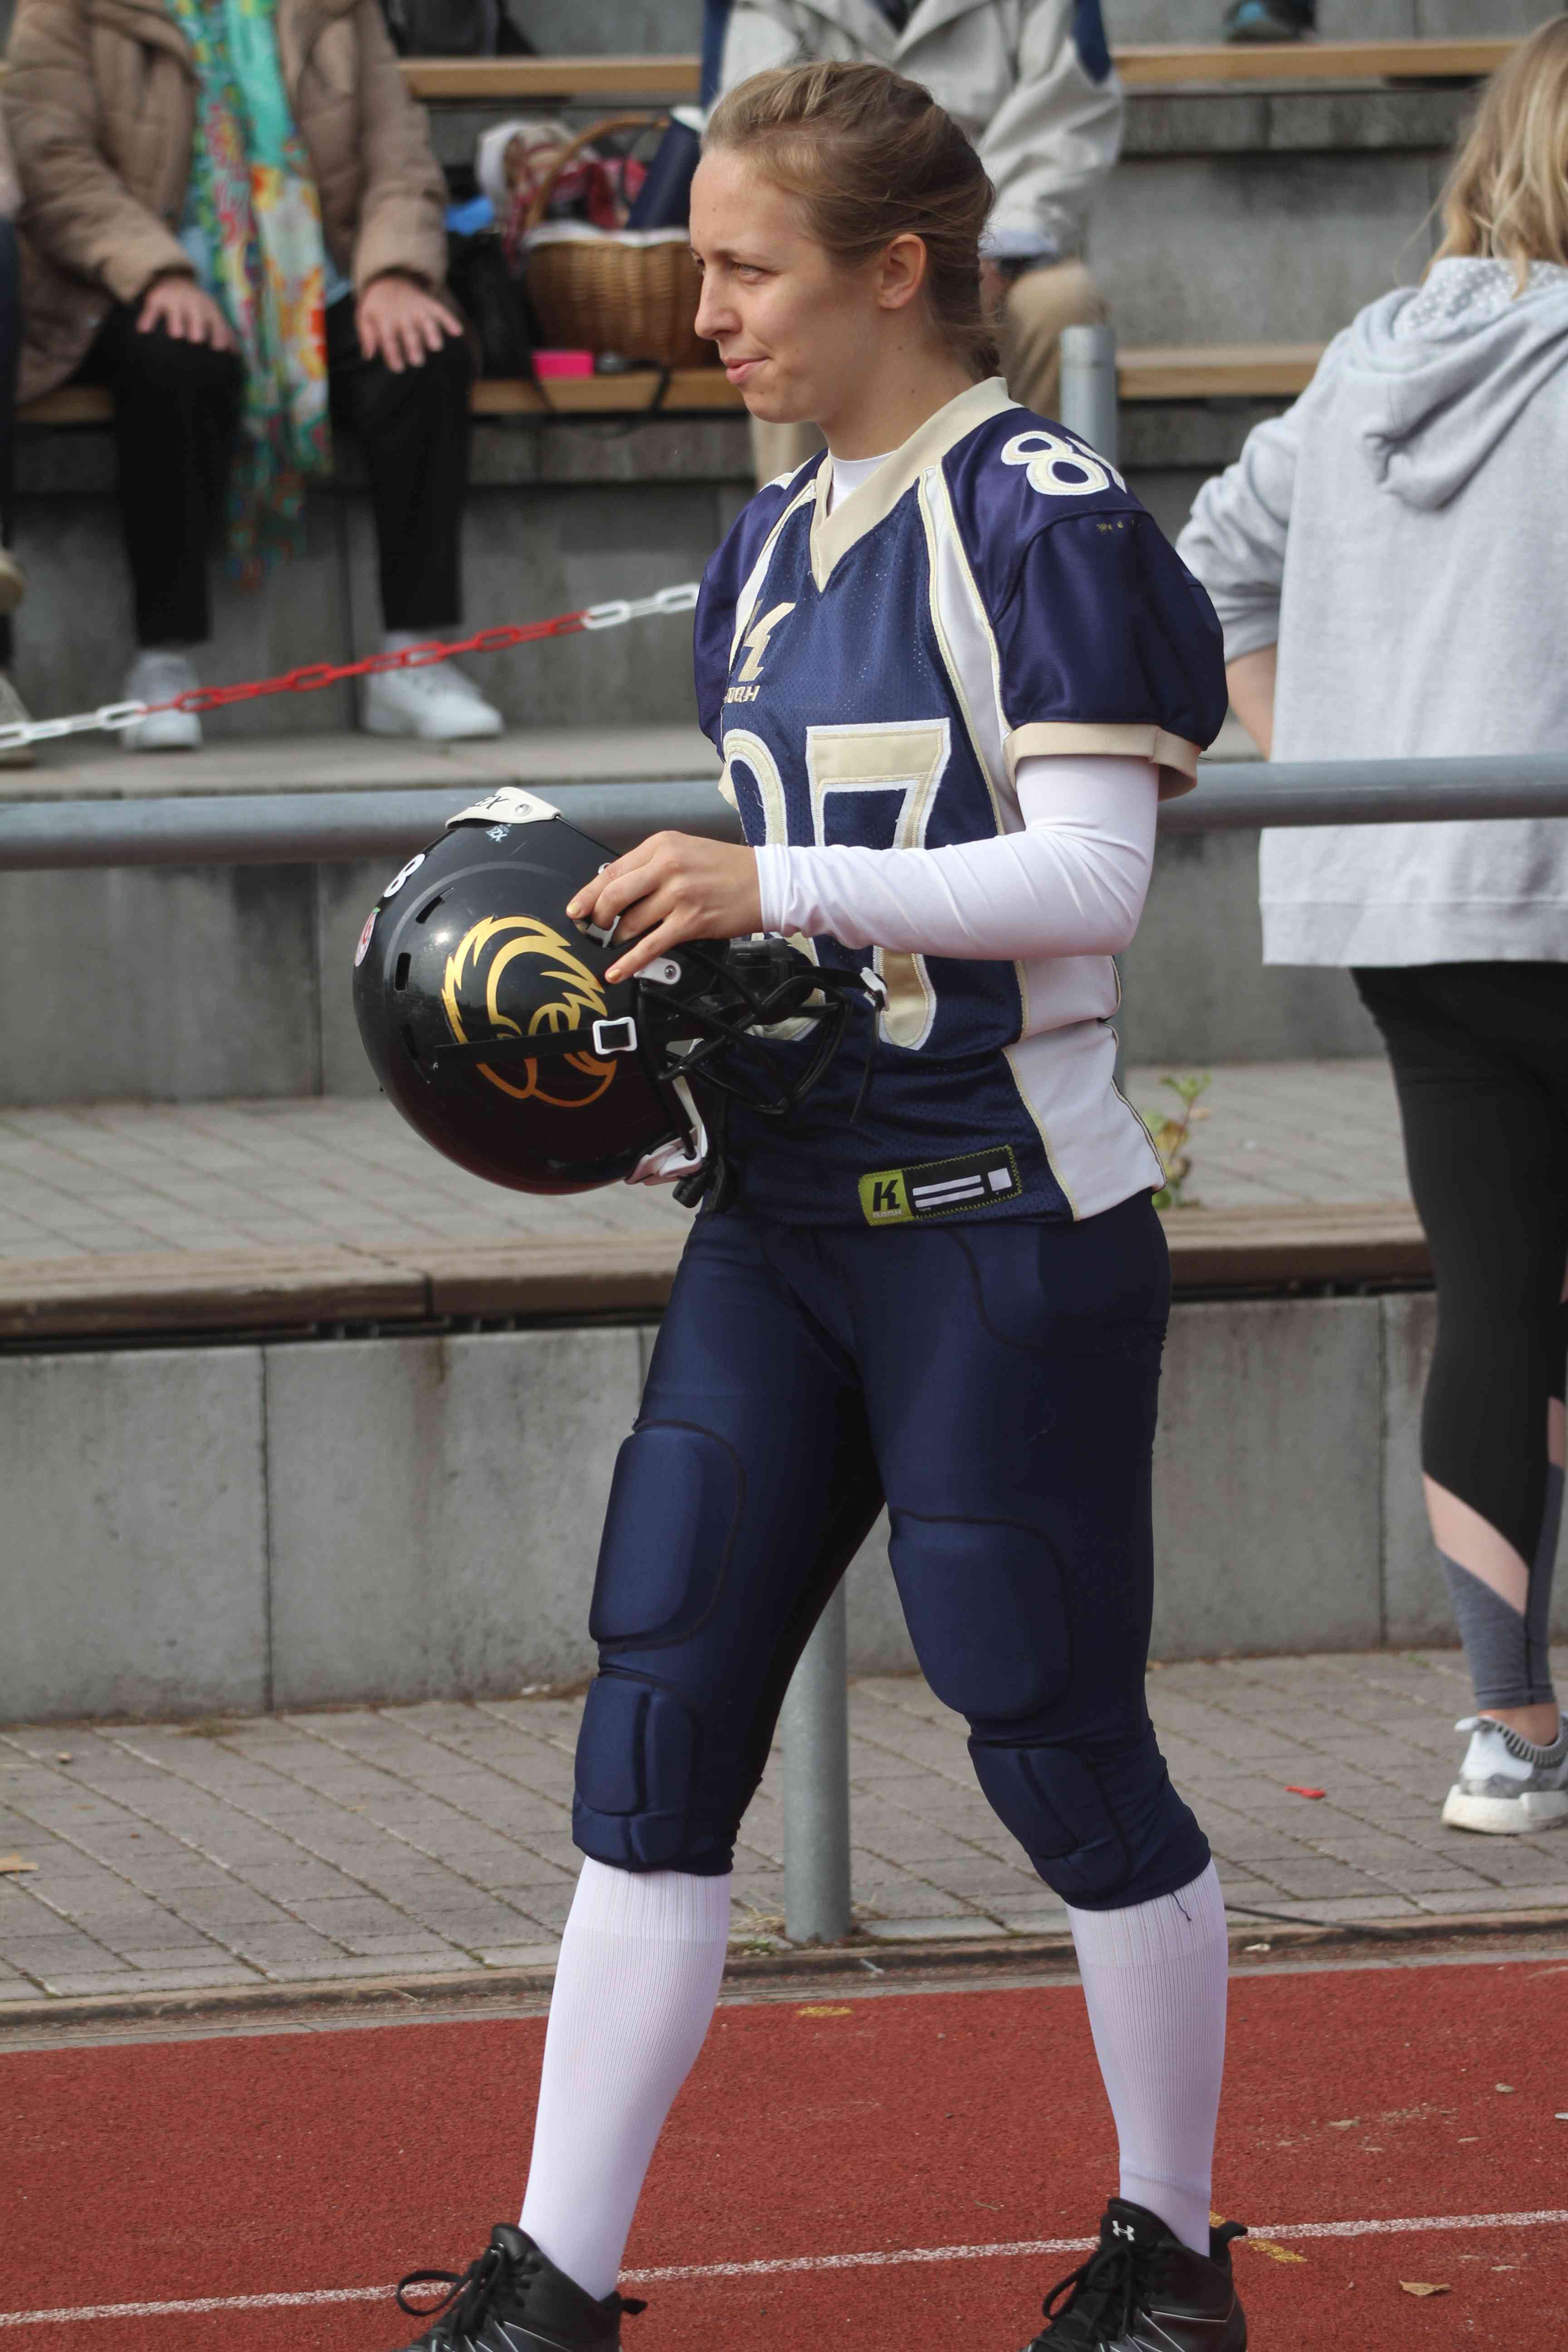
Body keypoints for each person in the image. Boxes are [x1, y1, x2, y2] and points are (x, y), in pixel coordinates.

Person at [382, 59, 1246, 2352]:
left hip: (995, 1206)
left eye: (743, 265)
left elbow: (1087, 877)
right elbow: (811, 928)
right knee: (653, 1727)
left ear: (893, 271)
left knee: (1050, 1732)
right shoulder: (769, 543)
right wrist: (660, 1046)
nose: (701, 308)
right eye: (697, 261)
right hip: (779, 1212)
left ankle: (1168, 2251)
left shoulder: (1041, 512)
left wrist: (773, 875)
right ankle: (550, 2278)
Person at [1177, 15, 1568, 1837]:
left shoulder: (1364, 360)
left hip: (1409, 906)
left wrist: (1335, 766)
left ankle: (1507, 1729)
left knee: (1497, 1300)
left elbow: (1204, 573)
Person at [4, 0, 502, 753]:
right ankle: (162, 664)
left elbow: (400, 152)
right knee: (171, 358)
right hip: (134, 275)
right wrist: (157, 271)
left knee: (424, 350)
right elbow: (52, 162)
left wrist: (393, 271)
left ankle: (413, 656)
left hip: (318, 276)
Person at [713, 0, 1122, 487]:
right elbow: (754, 140)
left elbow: (1066, 116)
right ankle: (802, 526)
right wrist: (858, 258)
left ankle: (1053, 511)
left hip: (1006, 240)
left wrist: (985, 250)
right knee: (787, 310)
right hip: (838, 245)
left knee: (1062, 303)